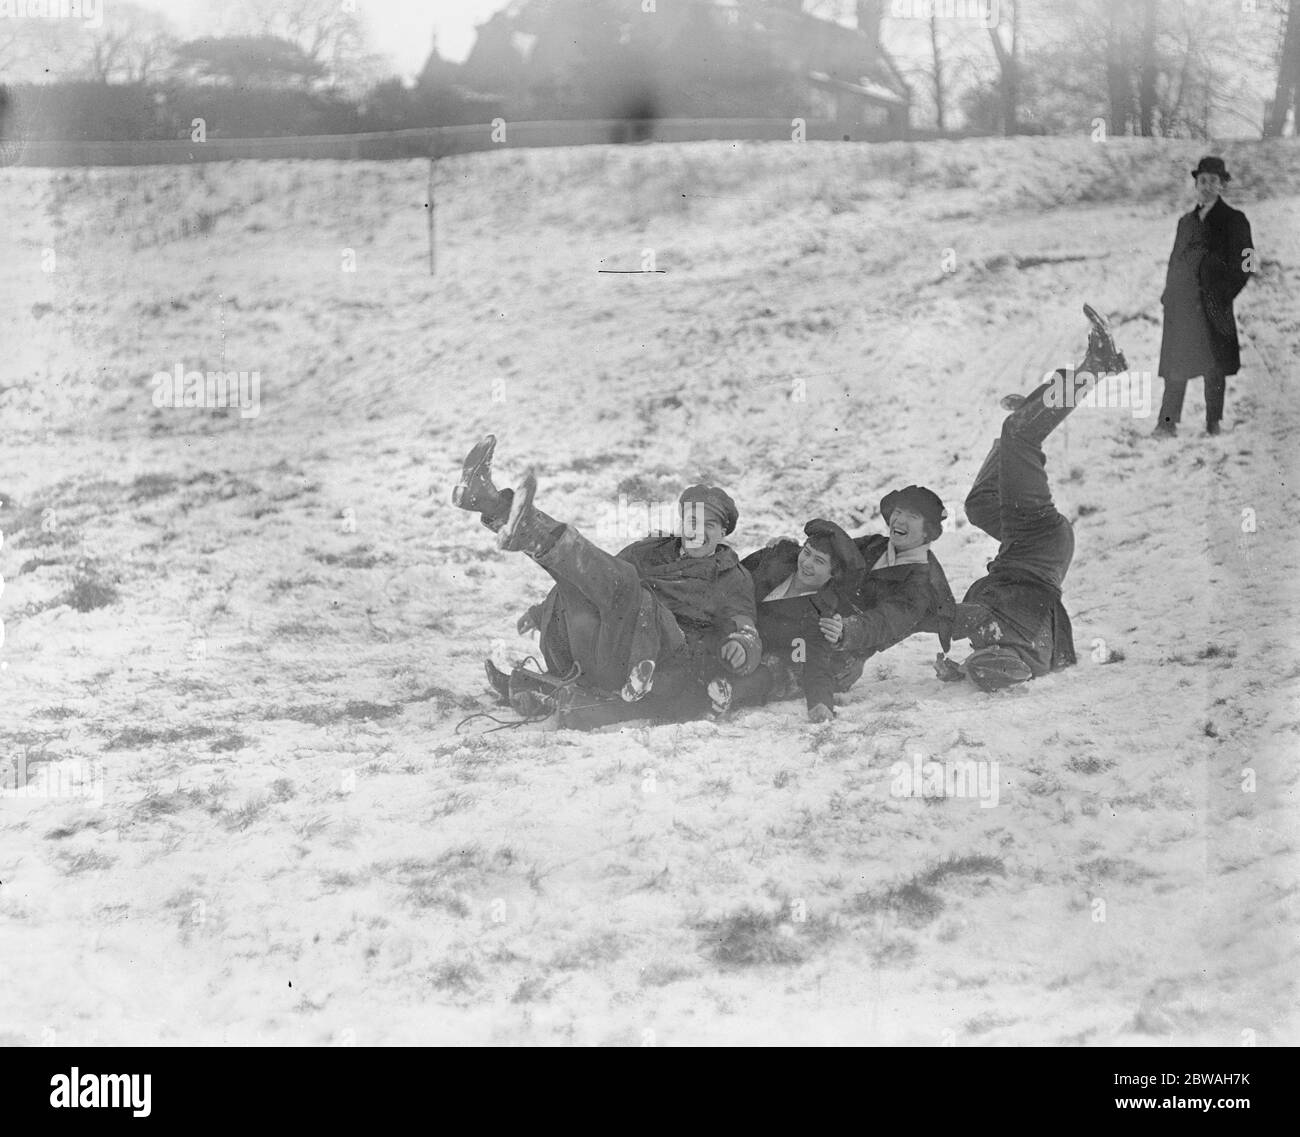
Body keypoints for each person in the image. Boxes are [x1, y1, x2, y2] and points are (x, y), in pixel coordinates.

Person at [451, 436, 762, 727]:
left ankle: (505, 514)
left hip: (667, 663)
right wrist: (540, 611)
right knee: (590, 581)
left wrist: (743, 646)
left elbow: (745, 627)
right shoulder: (650, 552)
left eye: (709, 525)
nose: (698, 531)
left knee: (627, 582)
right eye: (692, 522)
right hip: (611, 650)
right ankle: (491, 503)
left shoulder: (731, 576)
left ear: (724, 533)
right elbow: (591, 574)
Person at [938, 305, 1127, 691]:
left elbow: (961, 625)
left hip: (1032, 548)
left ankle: (1025, 425)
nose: (980, 649)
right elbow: (967, 627)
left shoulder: (1007, 635)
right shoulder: (1017, 637)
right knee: (1020, 435)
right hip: (1036, 541)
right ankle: (1097, 367)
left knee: (980, 503)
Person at [730, 491, 955, 721]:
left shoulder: (922, 583)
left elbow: (885, 621)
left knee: (791, 664)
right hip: (818, 618)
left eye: (913, 516)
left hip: (845, 647)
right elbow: (835, 554)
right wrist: (788, 549)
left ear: (928, 531)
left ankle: (732, 691)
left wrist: (847, 632)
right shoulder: (875, 545)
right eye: (898, 512)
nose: (899, 520)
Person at [1153, 156, 1255, 438]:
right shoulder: (1185, 222)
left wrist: (1224, 295)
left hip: (1214, 304)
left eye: (1213, 181)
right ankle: (1167, 423)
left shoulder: (1235, 220)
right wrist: (1169, 296)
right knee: (1176, 365)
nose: (1206, 186)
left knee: (1215, 365)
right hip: (1183, 305)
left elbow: (1247, 263)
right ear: (1196, 185)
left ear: (1222, 185)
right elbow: (1175, 262)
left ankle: (1213, 423)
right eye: (1202, 181)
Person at [732, 519, 867, 722]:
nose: (806, 563)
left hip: (755, 658)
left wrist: (820, 703)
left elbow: (817, 663)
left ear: (833, 573)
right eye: (807, 552)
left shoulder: (825, 611)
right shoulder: (778, 558)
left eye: (819, 561)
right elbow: (733, 576)